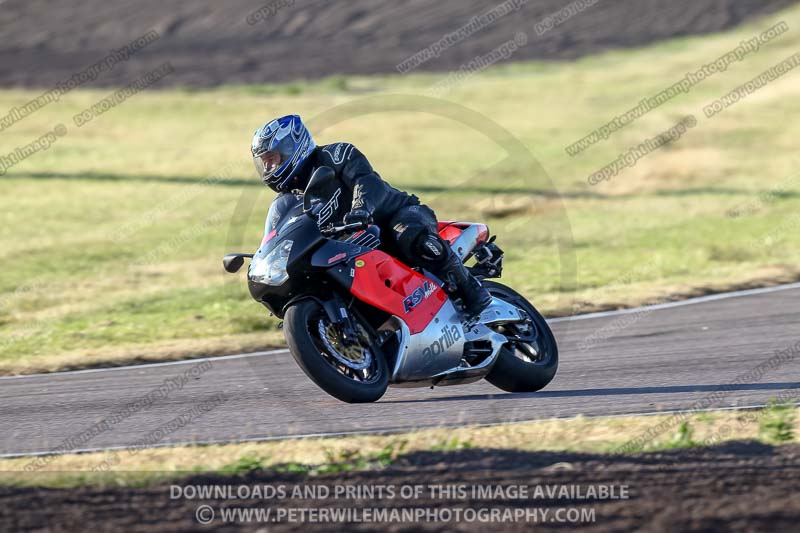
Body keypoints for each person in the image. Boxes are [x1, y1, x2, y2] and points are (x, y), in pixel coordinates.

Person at [251, 114, 492, 317]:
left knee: (409, 234)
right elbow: (279, 233)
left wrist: (361, 210)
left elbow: (366, 181)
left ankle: (472, 290)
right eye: (265, 163)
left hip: (396, 216)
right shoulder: (288, 201)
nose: (269, 168)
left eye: (273, 159)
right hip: (354, 248)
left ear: (293, 146)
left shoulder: (336, 154)